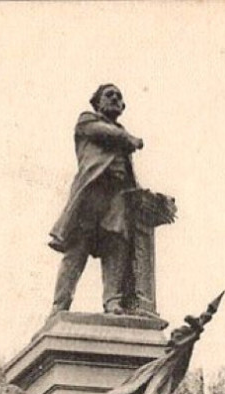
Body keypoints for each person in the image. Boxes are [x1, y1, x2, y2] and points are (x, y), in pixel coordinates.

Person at [49, 84, 143, 316]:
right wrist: (130, 139)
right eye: (109, 95)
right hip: (92, 194)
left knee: (116, 245)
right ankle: (60, 305)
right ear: (97, 102)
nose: (114, 98)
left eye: (119, 97)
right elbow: (109, 134)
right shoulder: (87, 121)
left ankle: (112, 301)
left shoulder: (121, 135)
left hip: (116, 196)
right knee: (77, 248)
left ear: (122, 106)